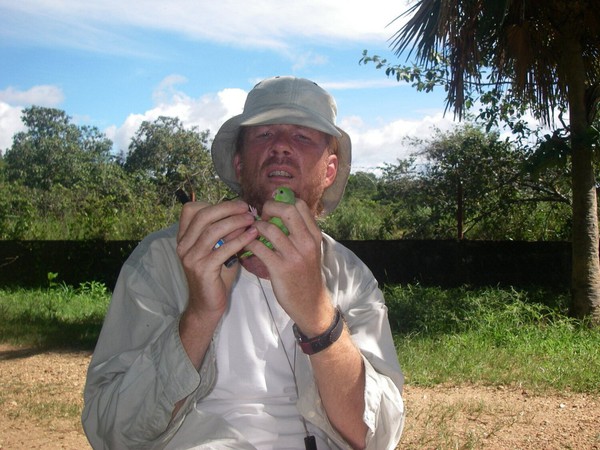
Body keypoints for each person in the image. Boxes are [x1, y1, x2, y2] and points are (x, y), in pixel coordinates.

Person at [82, 76, 405, 450]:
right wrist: (200, 314)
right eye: (264, 134)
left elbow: (378, 437)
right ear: (239, 163)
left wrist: (319, 318)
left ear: (329, 171)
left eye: (302, 137)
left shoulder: (350, 277)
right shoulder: (164, 259)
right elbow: (110, 433)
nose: (282, 146)